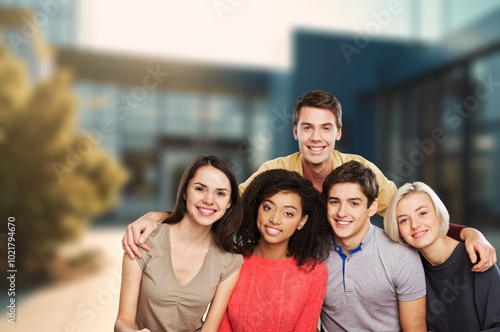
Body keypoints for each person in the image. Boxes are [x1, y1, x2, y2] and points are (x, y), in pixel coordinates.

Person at [121, 90, 496, 272]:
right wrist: (158, 216)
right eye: (308, 127)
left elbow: (408, 212)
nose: (316, 137)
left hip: (343, 269)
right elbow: (222, 201)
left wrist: (467, 234)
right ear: (296, 132)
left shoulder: (359, 171)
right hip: (292, 268)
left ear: (338, 132)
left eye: (325, 128)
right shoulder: (275, 170)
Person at [114, 155, 244, 332]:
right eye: (200, 189)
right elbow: (123, 320)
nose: (209, 200)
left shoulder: (231, 260)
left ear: (229, 203)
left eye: (220, 193)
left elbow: (210, 329)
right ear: (185, 192)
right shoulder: (144, 239)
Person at [219, 169, 332, 331]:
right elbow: (221, 325)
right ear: (256, 208)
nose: (274, 219)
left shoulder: (314, 272)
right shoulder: (233, 259)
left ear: (302, 221)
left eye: (288, 213)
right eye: (268, 208)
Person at [320, 161, 427, 331]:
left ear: (372, 208)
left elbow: (415, 328)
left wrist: (468, 233)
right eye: (334, 202)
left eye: (354, 203)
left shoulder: (401, 255)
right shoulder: (312, 251)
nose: (341, 212)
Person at [384, 181, 500, 332]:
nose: (415, 225)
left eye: (422, 213)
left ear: (438, 214)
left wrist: (472, 233)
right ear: (398, 230)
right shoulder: (408, 266)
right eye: (404, 220)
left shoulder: (476, 256)